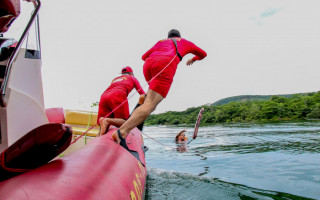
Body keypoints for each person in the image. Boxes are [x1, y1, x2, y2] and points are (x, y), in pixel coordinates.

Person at [112, 29, 207, 148]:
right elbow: (203, 54)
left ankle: (133, 122)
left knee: (147, 101)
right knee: (150, 105)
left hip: (148, 65)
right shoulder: (183, 42)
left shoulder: (161, 42)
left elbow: (143, 57)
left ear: (168, 36)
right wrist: (193, 59)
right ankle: (121, 133)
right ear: (179, 36)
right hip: (164, 64)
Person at [97, 66, 145, 136]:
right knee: (124, 122)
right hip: (118, 95)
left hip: (104, 96)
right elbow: (142, 94)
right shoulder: (132, 78)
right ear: (131, 73)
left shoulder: (115, 79)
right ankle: (107, 120)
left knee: (102, 126)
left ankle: (98, 138)